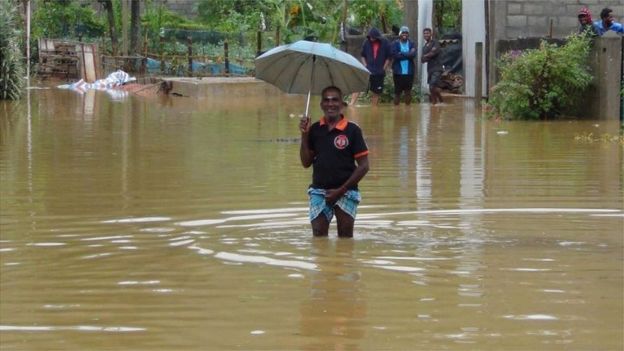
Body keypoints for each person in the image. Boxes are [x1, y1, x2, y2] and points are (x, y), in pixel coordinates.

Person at [299, 86, 370, 237]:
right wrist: (304, 135)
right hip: (319, 191)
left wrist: (341, 190)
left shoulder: (352, 130)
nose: (330, 104)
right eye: (326, 100)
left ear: (342, 104)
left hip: (346, 192)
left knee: (345, 237)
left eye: (335, 100)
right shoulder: (314, 130)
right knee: (318, 237)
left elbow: (364, 166)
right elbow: (306, 163)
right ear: (321, 105)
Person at [360, 28, 391, 106]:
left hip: (379, 72)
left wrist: (383, 68)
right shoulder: (366, 42)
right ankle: (352, 106)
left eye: (373, 37)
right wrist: (365, 66)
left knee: (376, 92)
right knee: (359, 87)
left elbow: (388, 57)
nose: (371, 39)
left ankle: (374, 109)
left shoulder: (385, 42)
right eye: (370, 37)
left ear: (377, 37)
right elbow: (362, 55)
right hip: (368, 71)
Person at [390, 26, 417, 105]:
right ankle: (396, 112)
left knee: (408, 92)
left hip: (409, 72)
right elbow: (395, 56)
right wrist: (408, 54)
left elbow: (413, 55)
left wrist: (401, 53)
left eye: (406, 33)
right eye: (403, 33)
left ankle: (408, 111)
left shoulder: (412, 43)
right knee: (397, 93)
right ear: (400, 34)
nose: (404, 34)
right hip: (398, 72)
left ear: (408, 34)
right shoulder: (395, 43)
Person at [421, 27, 444, 105]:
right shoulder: (424, 47)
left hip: (437, 68)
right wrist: (427, 56)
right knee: (433, 88)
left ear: (431, 34)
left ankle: (434, 104)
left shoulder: (435, 42)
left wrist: (426, 56)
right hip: (430, 69)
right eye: (424, 33)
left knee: (432, 86)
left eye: (427, 33)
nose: (426, 35)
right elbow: (422, 60)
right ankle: (441, 102)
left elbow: (433, 53)